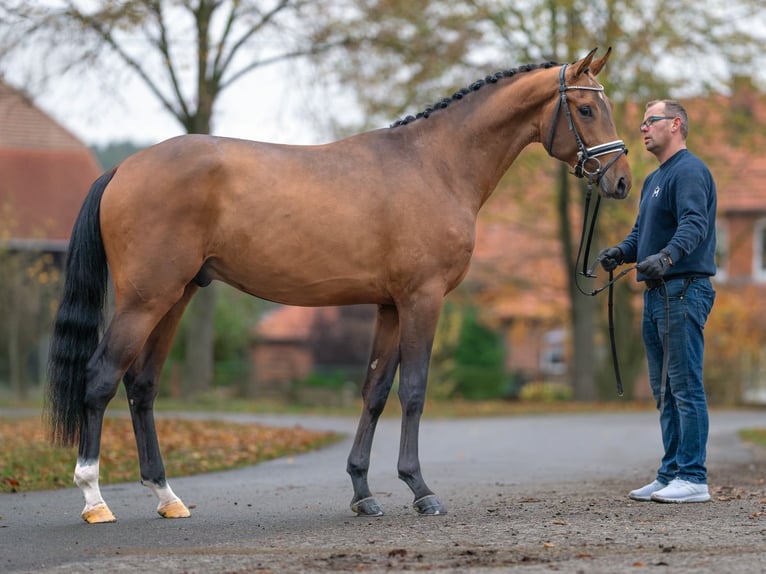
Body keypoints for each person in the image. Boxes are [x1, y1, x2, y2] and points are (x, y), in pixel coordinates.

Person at [599, 99, 717, 503]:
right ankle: (670, 474)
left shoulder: (690, 171)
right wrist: (622, 251)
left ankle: (693, 477)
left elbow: (694, 224)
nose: (643, 128)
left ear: (676, 124)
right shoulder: (653, 180)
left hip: (684, 289)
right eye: (643, 122)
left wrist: (666, 257)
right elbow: (641, 235)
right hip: (657, 294)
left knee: (685, 387)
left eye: (652, 121)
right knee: (664, 391)